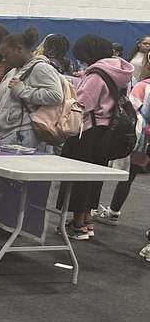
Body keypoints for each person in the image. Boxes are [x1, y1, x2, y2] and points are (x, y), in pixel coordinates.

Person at [57, 34, 134, 240]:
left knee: (78, 179)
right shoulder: (117, 72)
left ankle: (77, 224)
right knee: (94, 179)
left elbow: (83, 104)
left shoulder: (95, 76)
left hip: (87, 133)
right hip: (106, 133)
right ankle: (87, 221)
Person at [0, 28, 63, 149]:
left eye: (6, 55)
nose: (4, 59)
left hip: (26, 137)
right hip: (5, 136)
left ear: (19, 49)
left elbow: (56, 96)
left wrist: (22, 91)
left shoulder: (41, 68)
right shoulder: (12, 73)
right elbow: (2, 105)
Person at [92, 58, 150, 224]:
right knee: (131, 175)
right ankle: (114, 210)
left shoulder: (143, 86)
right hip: (147, 142)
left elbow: (129, 111)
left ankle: (95, 209)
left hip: (136, 139)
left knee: (121, 173)